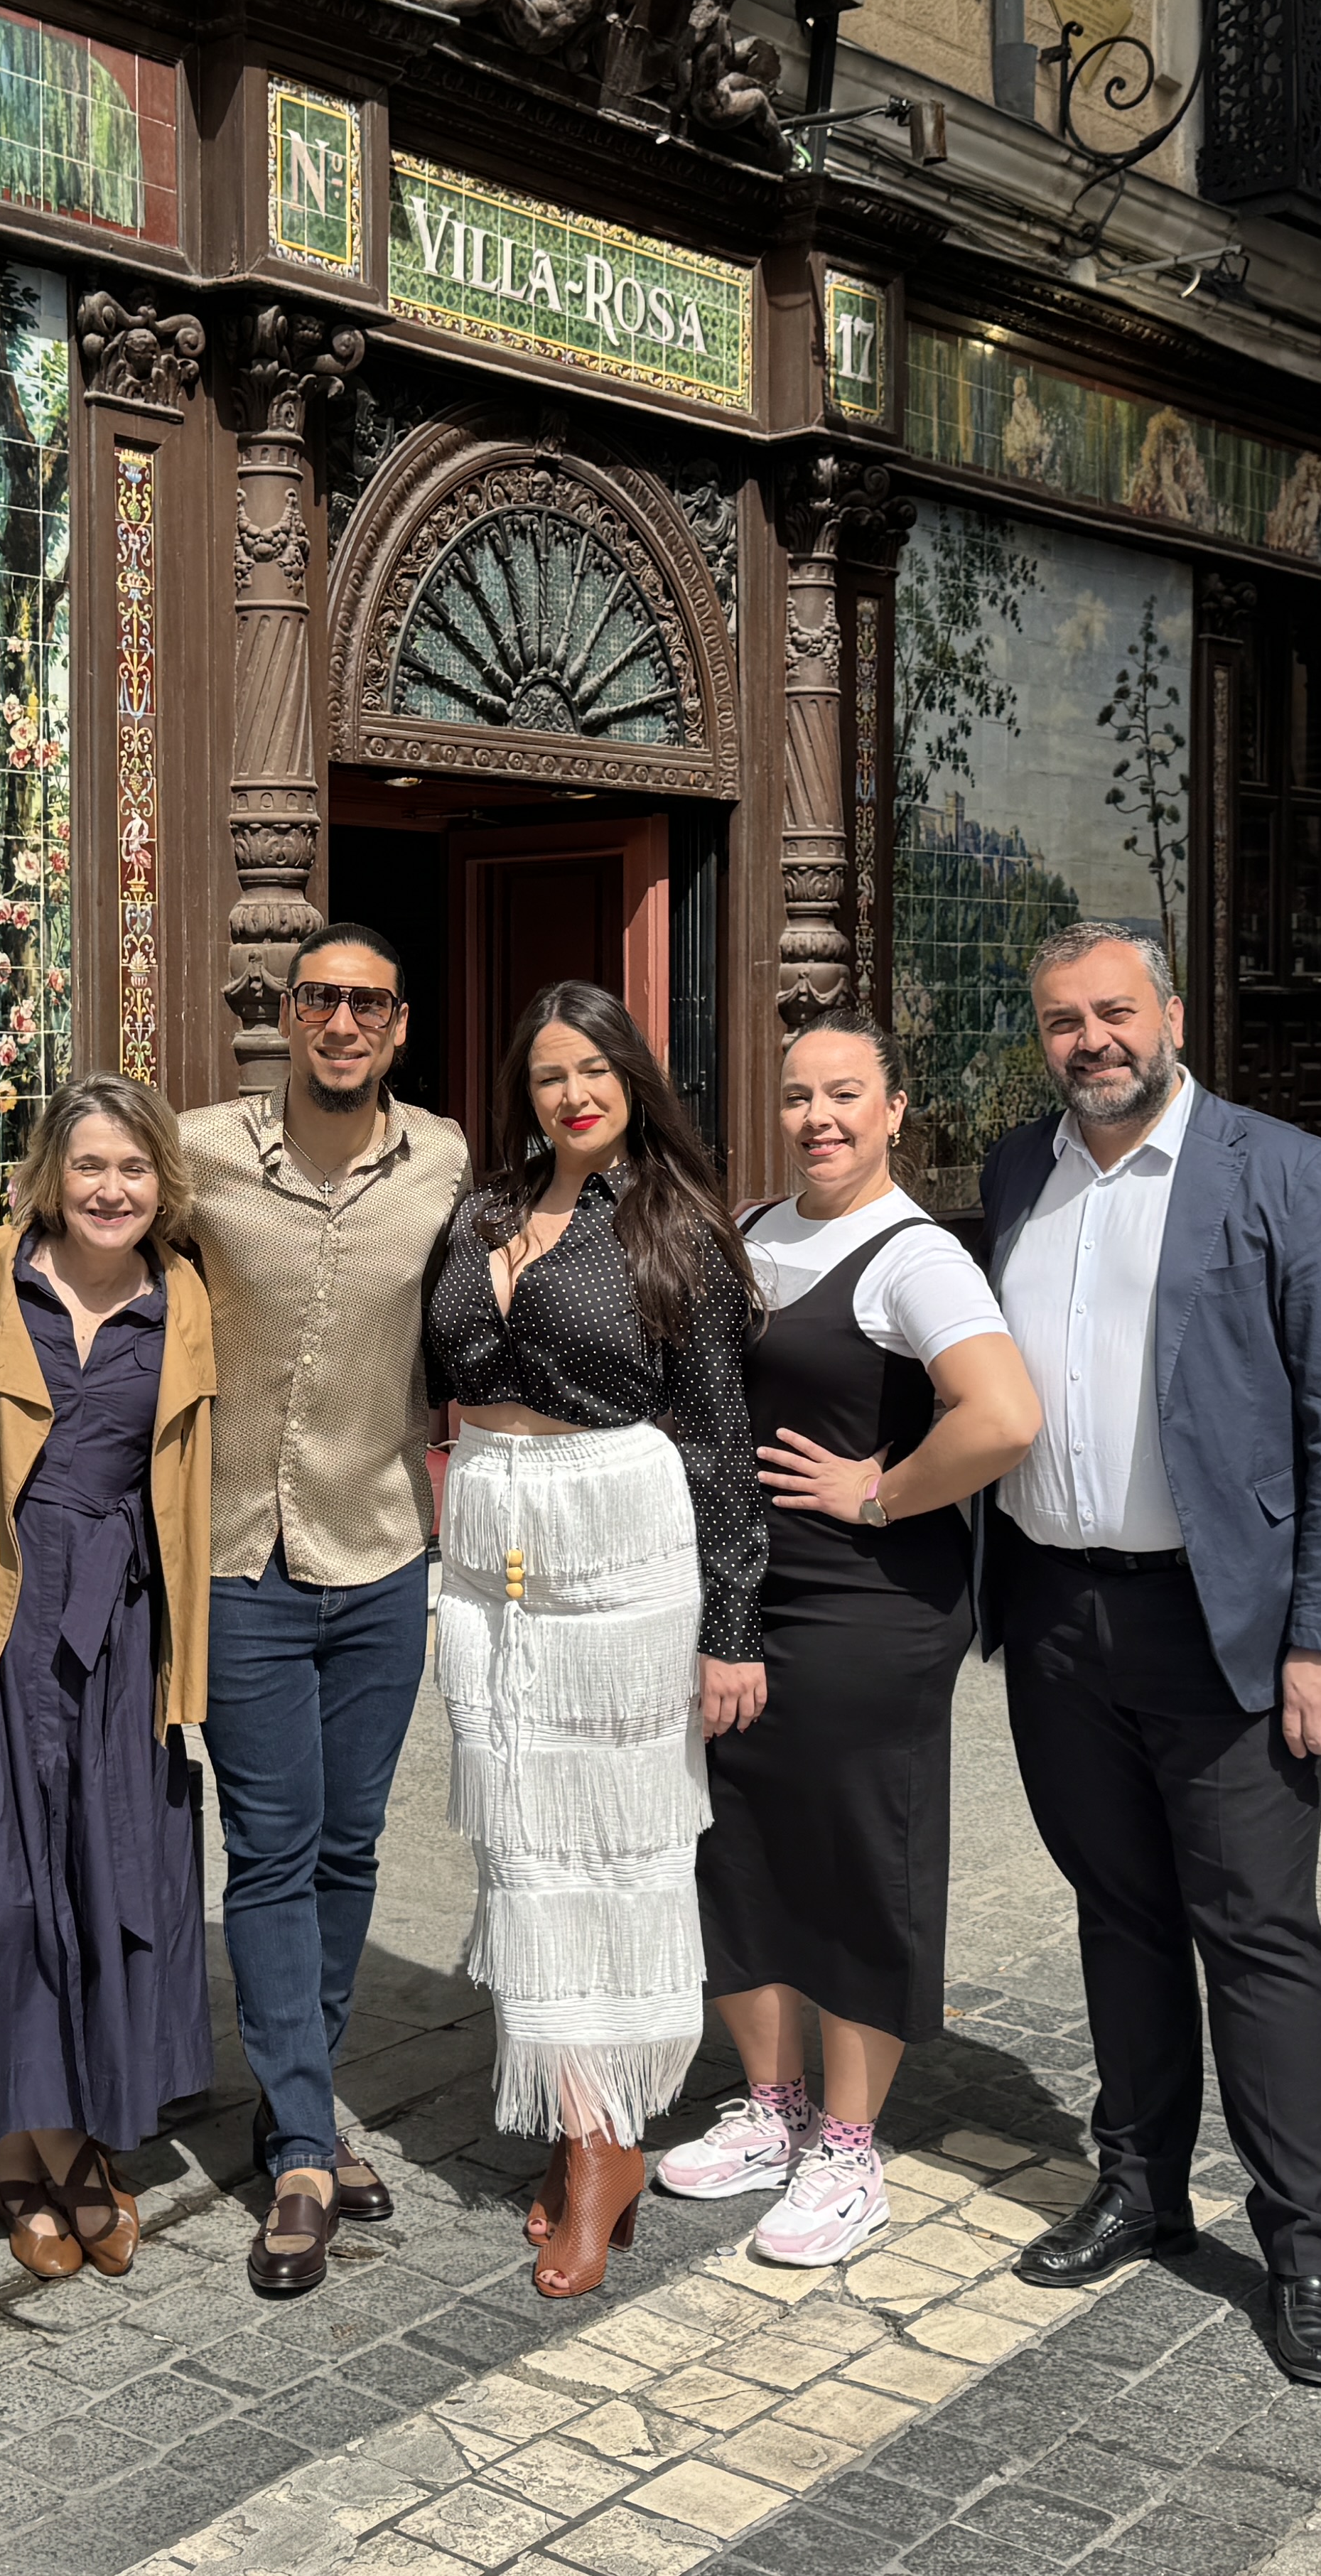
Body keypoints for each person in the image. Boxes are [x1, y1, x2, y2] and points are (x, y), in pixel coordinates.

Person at [972, 922, 1321, 2388]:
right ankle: (1142, 2183)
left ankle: (1307, 2249)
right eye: (1062, 1021)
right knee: (1119, 1913)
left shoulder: (1287, 1176)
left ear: (1168, 1013)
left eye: (1113, 1012)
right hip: (1055, 1614)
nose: (1092, 1041)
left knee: (1259, 1938)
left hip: (1225, 1625)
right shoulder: (1020, 1174)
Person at [659, 1016, 1041, 2268]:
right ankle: (767, 2108)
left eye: (844, 1094)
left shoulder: (913, 1255)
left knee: (852, 1858)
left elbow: (1003, 1413)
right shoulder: (761, 1230)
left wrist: (878, 1487)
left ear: (893, 1109)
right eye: (798, 1095)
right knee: (742, 1848)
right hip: (746, 1604)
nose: (819, 1115)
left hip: (866, 1609)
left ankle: (850, 2142)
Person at [426, 978, 758, 2299]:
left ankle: (604, 2140)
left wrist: (730, 1628)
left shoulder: (677, 1223)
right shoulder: (484, 1209)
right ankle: (587, 2126)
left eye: (594, 1070)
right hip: (487, 1546)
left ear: (633, 1081)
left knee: (617, 1851)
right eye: (548, 1072)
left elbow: (720, 1440)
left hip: (620, 1545)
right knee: (520, 1845)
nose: (571, 1093)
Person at [0, 1077, 216, 2283]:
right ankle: (43, 2150)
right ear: (49, 1174)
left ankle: (38, 2148)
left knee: (94, 1879)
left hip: (117, 1626)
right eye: (88, 1166)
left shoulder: (187, 1300)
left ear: (163, 1180)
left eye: (133, 1167)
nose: (110, 1189)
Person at [180, 926, 471, 2298]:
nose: (340, 1021)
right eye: (318, 999)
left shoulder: (449, 1160)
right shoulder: (198, 1148)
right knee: (273, 1847)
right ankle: (304, 2139)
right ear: (284, 1018)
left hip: (379, 1554)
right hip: (240, 1557)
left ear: (397, 1024)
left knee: (349, 1843)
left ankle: (295, 2089)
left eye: (365, 1000)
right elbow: (74, 1212)